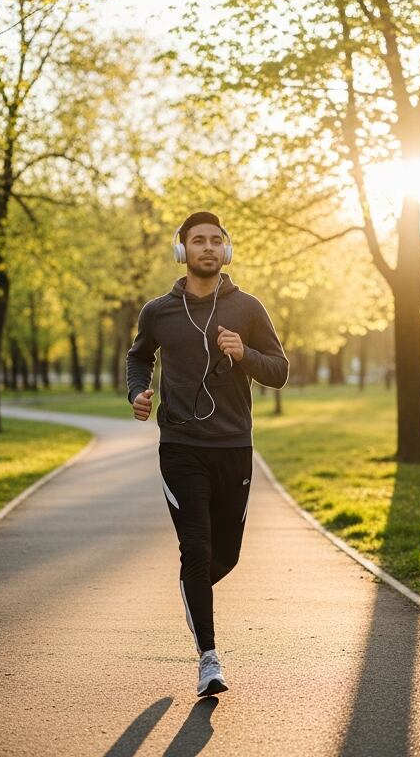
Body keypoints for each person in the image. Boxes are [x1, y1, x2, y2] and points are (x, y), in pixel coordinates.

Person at [126, 211, 289, 696]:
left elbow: (279, 371)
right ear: (182, 251)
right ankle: (209, 659)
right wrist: (137, 392)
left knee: (226, 555)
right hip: (180, 447)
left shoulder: (249, 308)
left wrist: (245, 355)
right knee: (195, 549)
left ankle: (190, 589)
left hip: (234, 446)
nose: (208, 248)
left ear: (227, 250)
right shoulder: (158, 311)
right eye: (198, 241)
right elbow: (139, 356)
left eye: (216, 241)